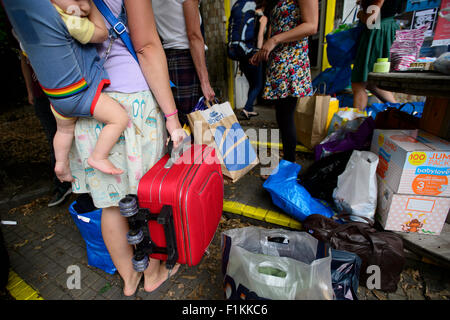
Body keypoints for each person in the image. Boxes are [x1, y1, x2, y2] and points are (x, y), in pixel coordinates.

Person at [3, 0, 185, 297]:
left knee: (110, 203)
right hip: (132, 103)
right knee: (144, 198)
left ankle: (129, 279)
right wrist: (172, 118)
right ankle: (152, 274)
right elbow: (147, 47)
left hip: (89, 103)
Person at [48, 0, 130, 182]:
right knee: (119, 118)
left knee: (63, 130)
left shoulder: (42, 19)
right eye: (77, 0)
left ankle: (61, 163)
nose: (83, 6)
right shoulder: (70, 21)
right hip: (79, 93)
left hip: (56, 97)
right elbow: (101, 34)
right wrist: (92, 6)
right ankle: (99, 156)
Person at [251, 0, 318, 163]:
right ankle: (286, 164)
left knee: (286, 116)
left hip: (292, 61)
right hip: (279, 60)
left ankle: (288, 167)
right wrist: (263, 50)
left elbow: (311, 26)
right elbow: (277, 26)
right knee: (281, 116)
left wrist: (274, 40)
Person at [19, 51, 73, 207]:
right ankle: (63, 185)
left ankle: (85, 188)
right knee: (55, 137)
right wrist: (30, 92)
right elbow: (24, 62)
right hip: (41, 95)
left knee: (73, 133)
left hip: (64, 90)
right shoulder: (18, 31)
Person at [151, 0, 215, 126]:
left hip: (167, 58)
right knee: (196, 120)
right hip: (188, 60)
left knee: (180, 121)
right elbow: (194, 36)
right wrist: (205, 82)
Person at [351, 0, 402, 111]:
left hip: (377, 32)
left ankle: (356, 122)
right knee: (370, 81)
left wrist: (360, 14)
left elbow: (371, 19)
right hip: (384, 28)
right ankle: (399, 111)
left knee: (359, 82)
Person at [239, 1, 268, 120]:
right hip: (254, 54)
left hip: (243, 55)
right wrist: (259, 53)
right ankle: (246, 108)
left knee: (252, 84)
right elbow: (260, 36)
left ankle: (249, 109)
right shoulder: (262, 18)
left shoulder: (246, 15)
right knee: (258, 85)